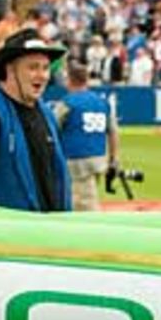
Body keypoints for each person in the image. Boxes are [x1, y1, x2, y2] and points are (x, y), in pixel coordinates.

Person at [0, 28, 71, 212]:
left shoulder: (46, 113)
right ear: (10, 70)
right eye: (33, 67)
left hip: (50, 231)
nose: (42, 75)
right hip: (9, 234)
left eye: (45, 68)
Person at [56, 63, 118, 211]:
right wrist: (113, 158)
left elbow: (52, 127)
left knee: (81, 204)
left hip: (75, 158)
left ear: (69, 80)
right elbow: (113, 132)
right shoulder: (102, 102)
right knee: (89, 195)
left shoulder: (67, 103)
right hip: (97, 157)